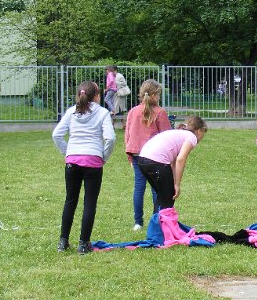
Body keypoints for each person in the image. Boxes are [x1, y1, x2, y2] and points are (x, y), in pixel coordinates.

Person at [52, 81, 116, 254]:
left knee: (70, 200)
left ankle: (63, 241)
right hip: (93, 160)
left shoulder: (71, 111)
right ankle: (83, 243)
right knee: (90, 201)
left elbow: (56, 134)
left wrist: (68, 152)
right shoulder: (102, 113)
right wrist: (103, 156)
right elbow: (110, 138)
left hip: (72, 161)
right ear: (96, 95)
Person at [125, 79, 172, 231]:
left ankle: (138, 222)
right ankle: (157, 219)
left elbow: (128, 135)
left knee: (139, 187)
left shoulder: (133, 112)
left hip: (137, 154)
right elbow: (167, 136)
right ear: (153, 95)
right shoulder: (160, 112)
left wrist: (130, 155)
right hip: (154, 156)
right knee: (156, 188)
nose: (159, 97)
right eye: (158, 94)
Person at [138, 115, 208, 210]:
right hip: (157, 161)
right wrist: (177, 184)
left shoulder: (179, 133)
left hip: (143, 160)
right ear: (199, 130)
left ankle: (157, 219)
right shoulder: (192, 137)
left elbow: (174, 162)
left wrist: (174, 182)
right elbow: (180, 159)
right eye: (204, 132)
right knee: (168, 198)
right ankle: (162, 219)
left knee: (162, 196)